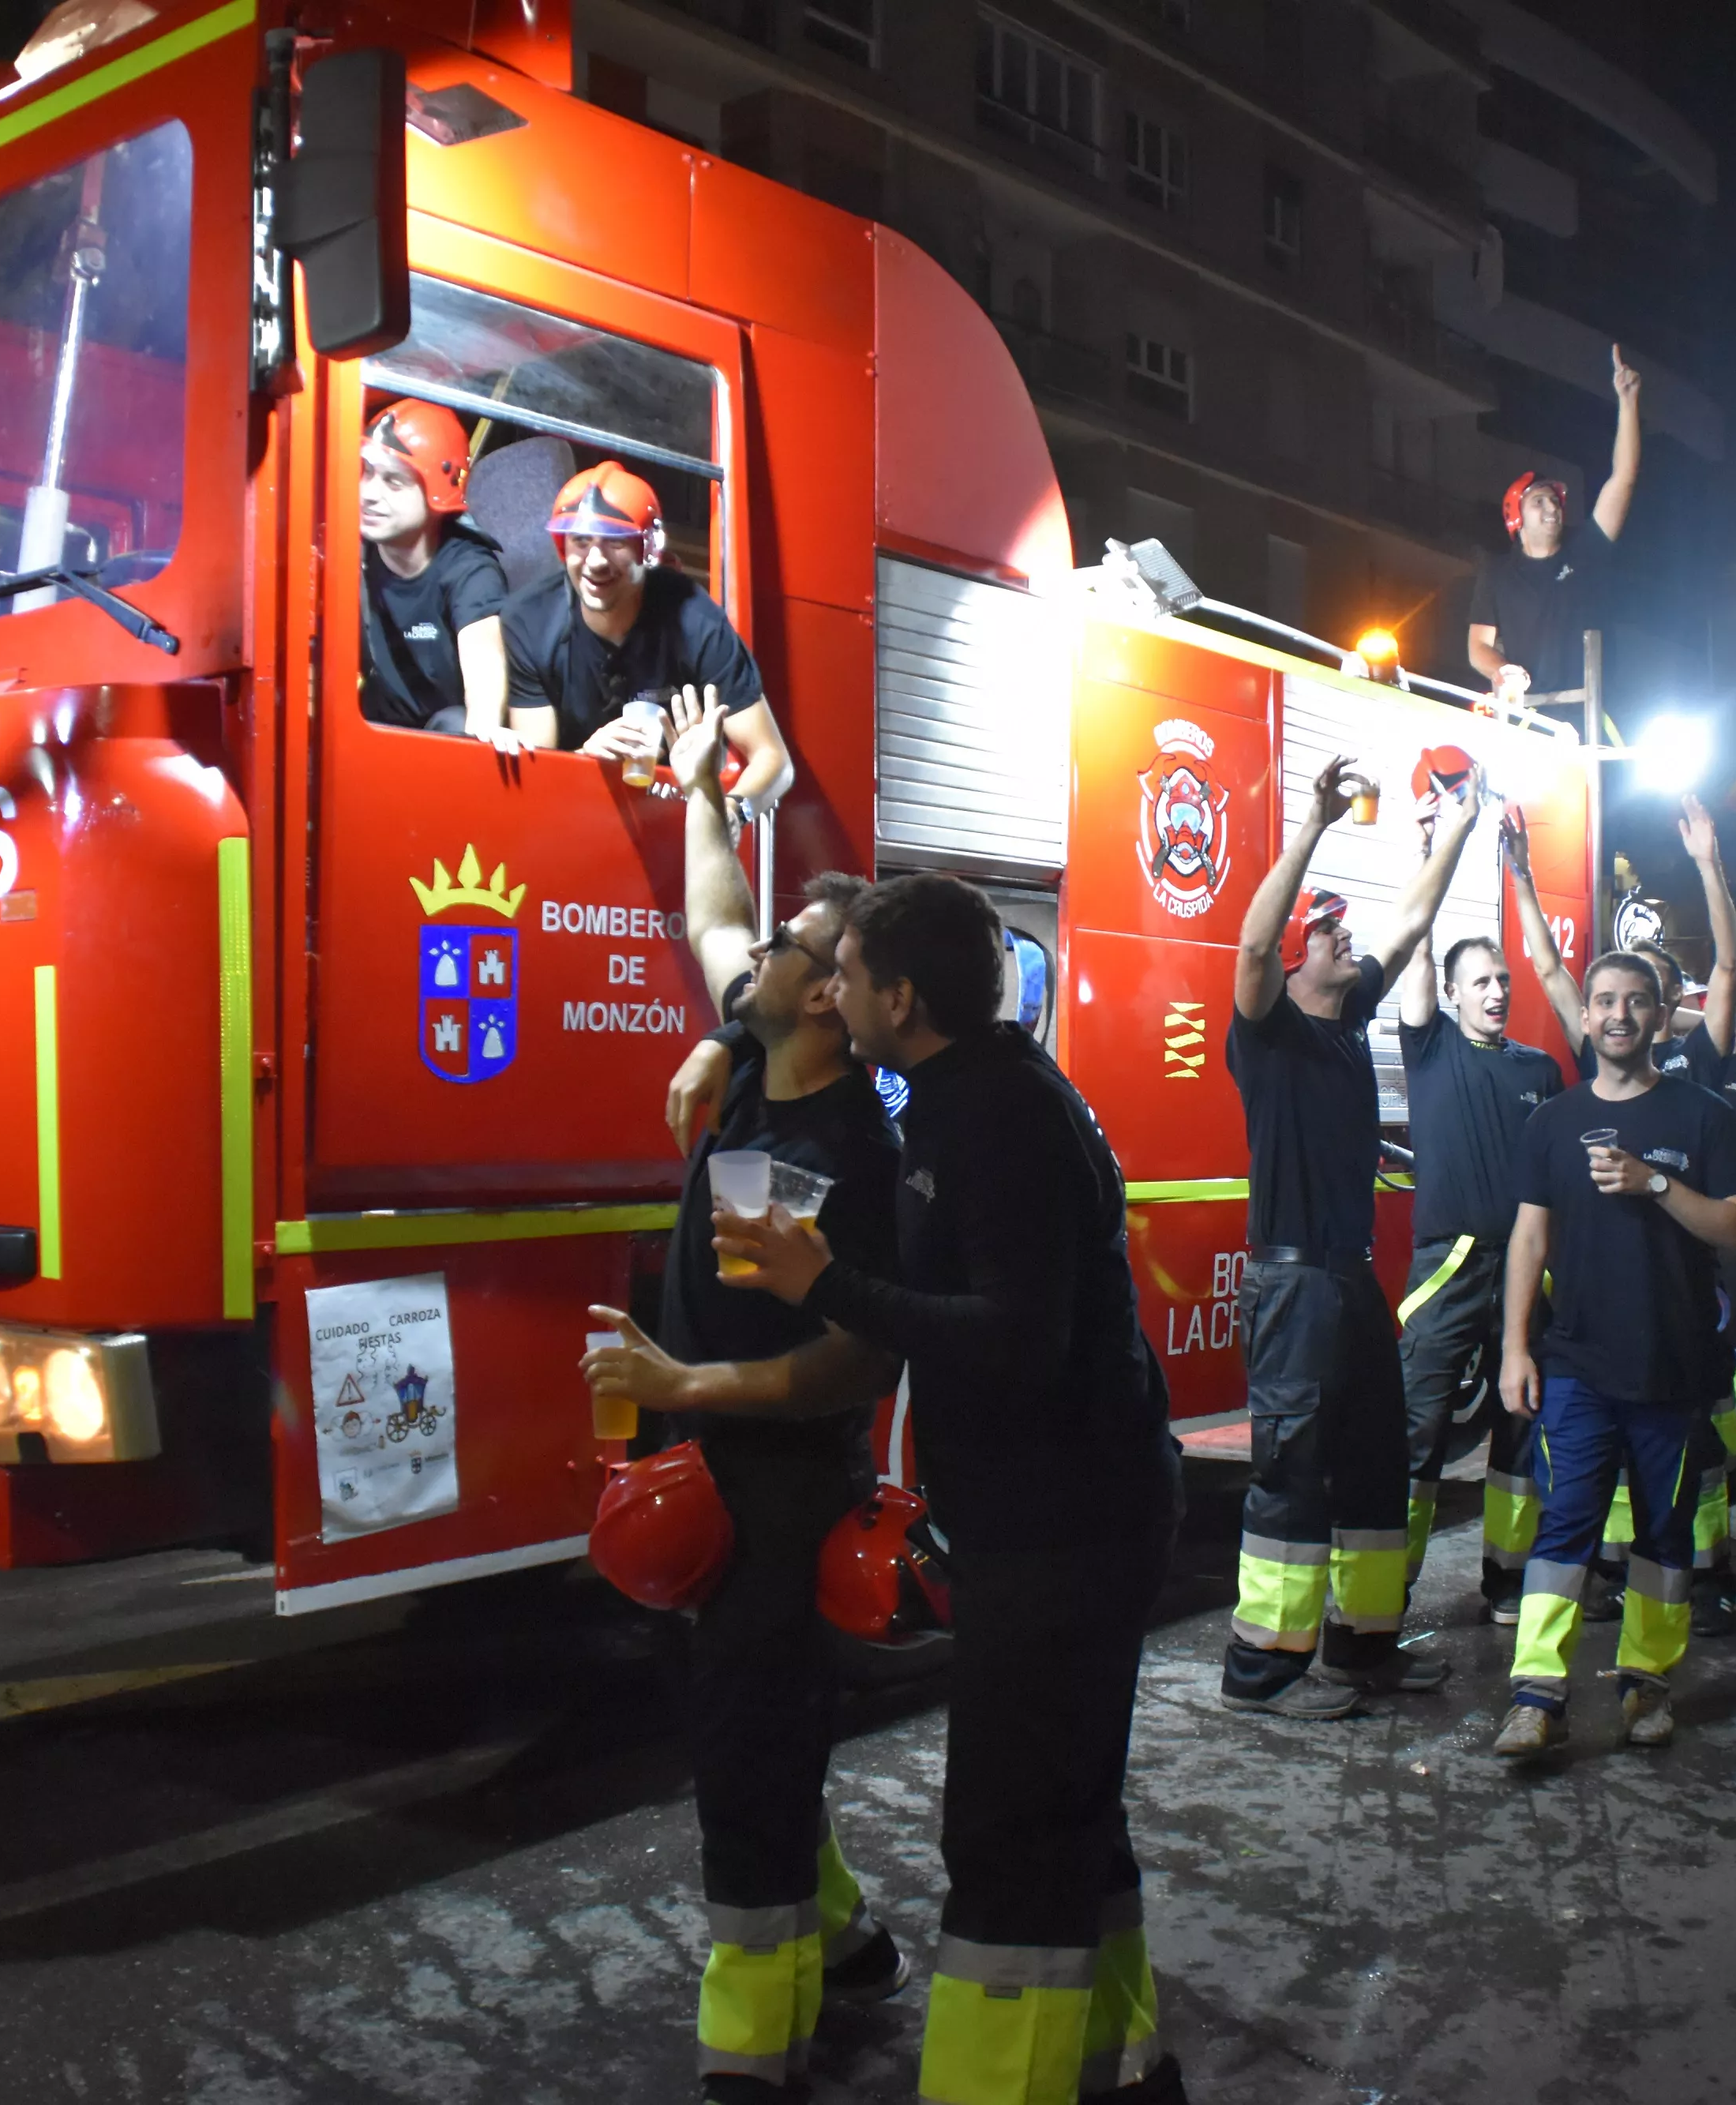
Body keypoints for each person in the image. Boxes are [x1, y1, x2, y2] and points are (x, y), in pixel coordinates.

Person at [628, 870, 1183, 2105]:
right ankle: (1125, 2067)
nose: (826, 986)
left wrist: (821, 1284)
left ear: (897, 995)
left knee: (1009, 1840)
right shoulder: (953, 1093)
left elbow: (1011, 1336)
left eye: (844, 971)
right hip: (1038, 1521)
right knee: (1062, 1799)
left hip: (1065, 1527)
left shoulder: (990, 1119)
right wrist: (731, 1033)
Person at [591, 693, 910, 2099]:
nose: (760, 954)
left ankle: (755, 2049)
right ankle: (841, 1943)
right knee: (747, 1737)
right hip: (704, 1462)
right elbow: (717, 914)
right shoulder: (759, 1071)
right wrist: (704, 792)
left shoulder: (836, 1142)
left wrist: (680, 1380)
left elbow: (844, 1361)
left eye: (795, 949)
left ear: (834, 995)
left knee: (748, 1763)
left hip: (774, 1488)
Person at [1222, 755, 1480, 1717]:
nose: (1340, 934)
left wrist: (1459, 822)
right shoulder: (1271, 1032)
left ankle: (1362, 1647)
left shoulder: (1347, 1019)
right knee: (1291, 1476)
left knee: (1376, 1458)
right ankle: (1263, 1672)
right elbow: (1250, 951)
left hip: (1350, 1281)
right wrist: (1311, 825)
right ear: (1296, 964)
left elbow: (1413, 917)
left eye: (1336, 924)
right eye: (1322, 928)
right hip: (1292, 1288)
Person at [1488, 949, 1736, 1758]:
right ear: (1585, 1015)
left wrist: (1655, 1185)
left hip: (1672, 1369)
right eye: (1602, 999)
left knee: (1663, 1534)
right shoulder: (1552, 1121)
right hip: (1575, 1364)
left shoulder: (1703, 1115)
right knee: (1562, 1524)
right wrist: (1513, 1348)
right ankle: (1536, 1693)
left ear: (1660, 1012)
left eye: (1636, 1001)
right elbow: (1528, 1236)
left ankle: (1648, 1683)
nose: (1616, 1014)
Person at [1393, 846, 1563, 1621]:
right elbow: (1415, 937)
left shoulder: (1540, 1070)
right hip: (1448, 1268)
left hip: (1529, 1272)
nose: (1496, 991)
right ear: (1452, 994)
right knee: (1415, 1426)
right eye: (1481, 981)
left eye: (1503, 979)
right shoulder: (1431, 1049)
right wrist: (1431, 847)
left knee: (1521, 1425)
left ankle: (1506, 1580)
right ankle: (1382, 1590)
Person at [503, 463, 793, 810]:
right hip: (572, 806)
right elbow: (537, 781)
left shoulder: (695, 621)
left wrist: (732, 815)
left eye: (614, 542)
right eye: (580, 540)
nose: (595, 560)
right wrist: (585, 757)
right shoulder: (530, 622)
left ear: (648, 549)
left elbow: (774, 760)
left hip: (670, 805)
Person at [1466, 346, 1642, 708]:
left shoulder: (1586, 549)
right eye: (1539, 502)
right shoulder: (1498, 574)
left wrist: (1627, 403)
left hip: (1594, 708)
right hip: (1533, 714)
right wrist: (1503, 671)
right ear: (1517, 519)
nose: (1553, 508)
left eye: (1555, 501)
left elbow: (1623, 478)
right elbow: (1478, 647)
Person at [354, 399, 511, 739]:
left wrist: (484, 728)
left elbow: (485, 671)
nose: (368, 493)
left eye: (394, 482)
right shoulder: (350, 552)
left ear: (438, 494)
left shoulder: (470, 570)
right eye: (365, 472)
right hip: (374, 732)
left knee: (456, 723)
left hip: (440, 745)